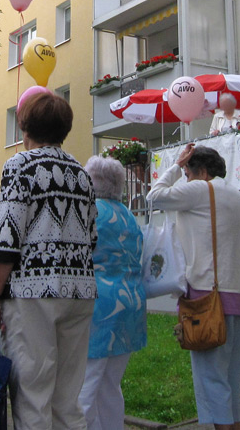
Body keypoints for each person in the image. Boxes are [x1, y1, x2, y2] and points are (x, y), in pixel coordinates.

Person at [0, 91, 97, 430]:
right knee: (67, 399)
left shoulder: (19, 166)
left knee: (33, 395)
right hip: (79, 292)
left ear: (24, 127)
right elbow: (92, 238)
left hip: (33, 294)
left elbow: (7, 239)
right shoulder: (82, 173)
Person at [147, 144, 240, 430]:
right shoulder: (238, 198)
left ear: (203, 172)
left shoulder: (200, 190)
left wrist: (175, 165)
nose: (184, 179)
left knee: (211, 379)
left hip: (208, 298)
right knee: (233, 378)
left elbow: (155, 196)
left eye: (187, 173)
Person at [77, 156, 146, 430]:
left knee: (85, 385)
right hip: (130, 307)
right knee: (110, 386)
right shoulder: (129, 217)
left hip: (97, 310)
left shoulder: (88, 213)